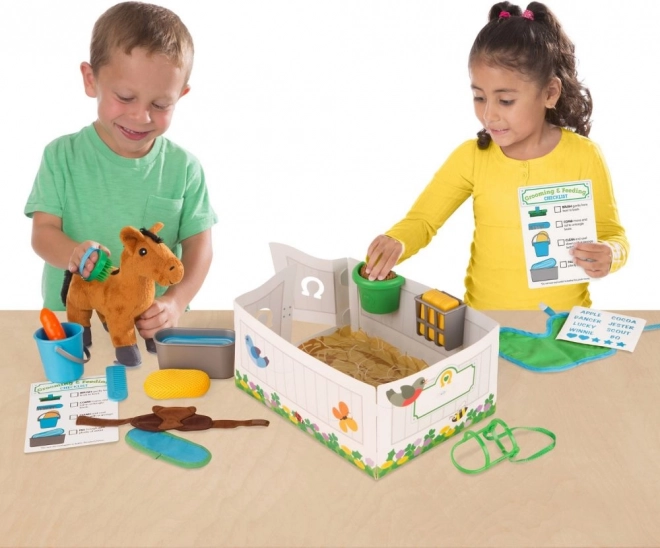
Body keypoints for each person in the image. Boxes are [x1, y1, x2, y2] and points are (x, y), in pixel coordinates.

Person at [363, 1, 628, 310]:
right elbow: (422, 221)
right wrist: (397, 240)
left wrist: (610, 254)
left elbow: (613, 234)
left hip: (564, 322)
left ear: (550, 93)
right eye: (479, 97)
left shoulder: (584, 155)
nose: (489, 115)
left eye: (505, 100)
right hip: (486, 322)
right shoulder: (472, 158)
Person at [24, 1, 217, 344]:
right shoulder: (61, 156)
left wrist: (176, 302)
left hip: (150, 328)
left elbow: (199, 247)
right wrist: (73, 254)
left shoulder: (184, 168)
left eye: (160, 104)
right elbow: (43, 232)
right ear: (91, 80)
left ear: (181, 95)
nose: (141, 116)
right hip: (71, 324)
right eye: (125, 97)